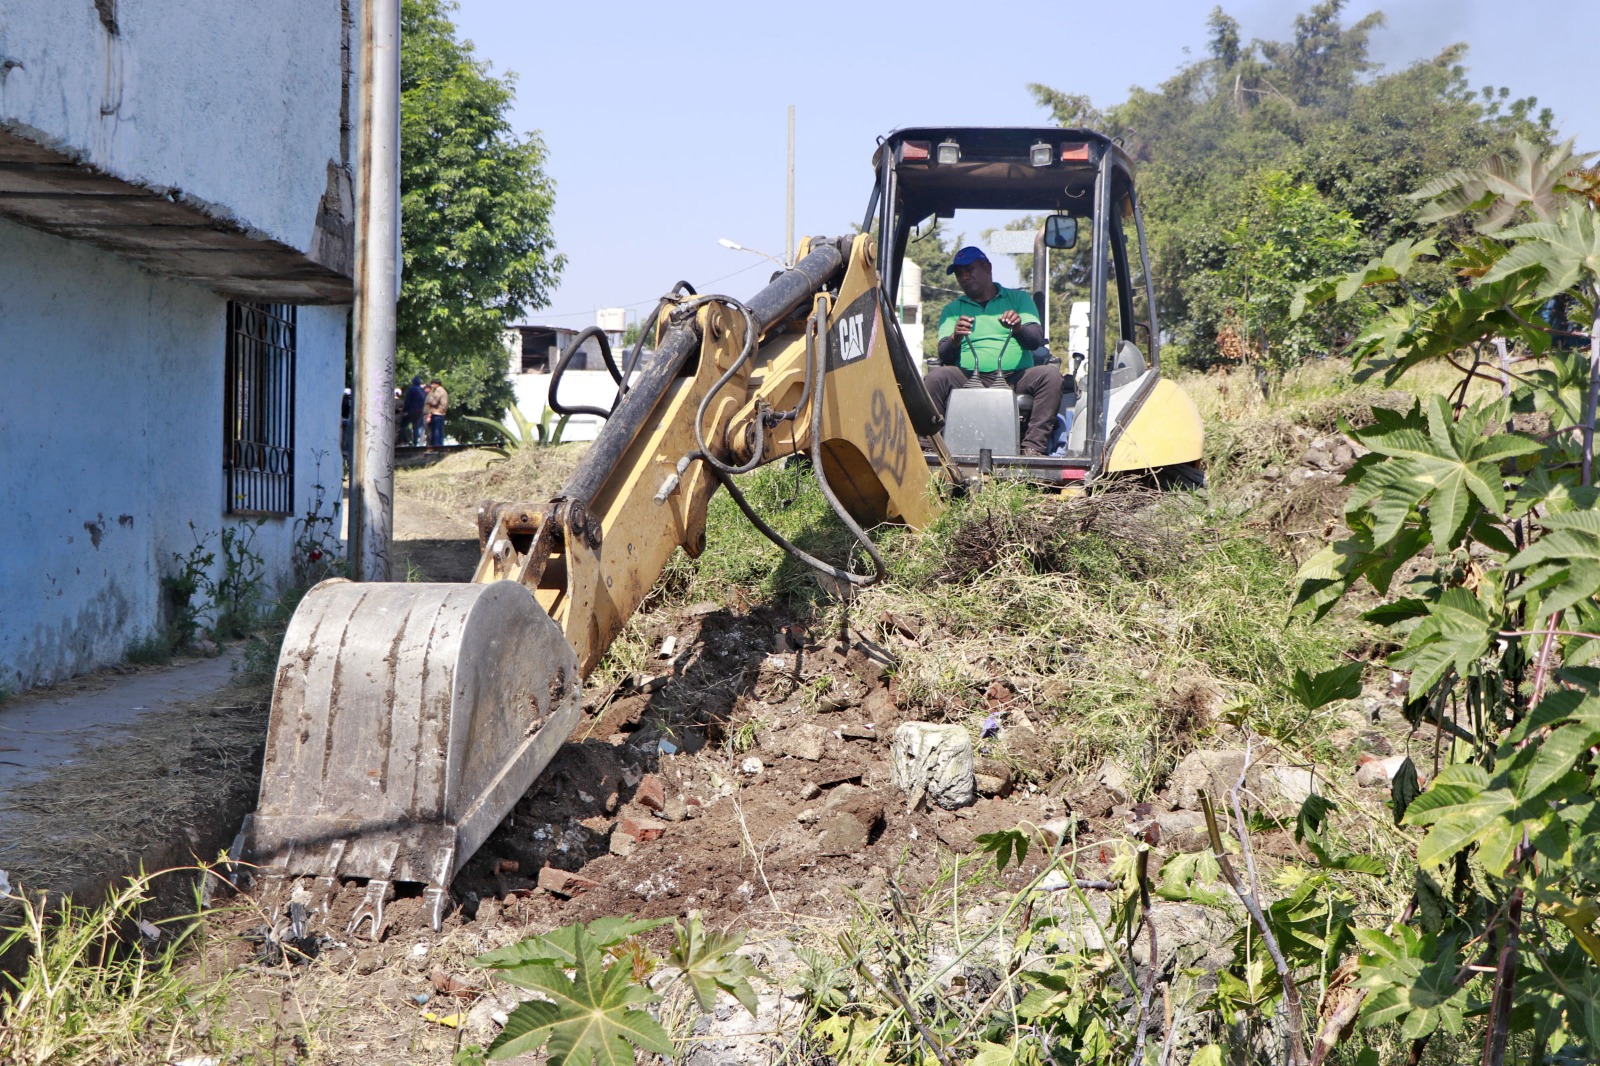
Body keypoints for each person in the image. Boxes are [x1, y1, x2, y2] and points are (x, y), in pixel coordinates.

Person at [926, 246, 1063, 456]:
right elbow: (945, 355)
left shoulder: (1018, 300)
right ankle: (928, 449)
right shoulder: (953, 310)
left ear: (987, 268)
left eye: (969, 269)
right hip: (968, 377)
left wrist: (1018, 328)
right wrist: (955, 338)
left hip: (1015, 379)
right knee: (936, 377)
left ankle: (1033, 449)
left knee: (1051, 376)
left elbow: (1035, 340)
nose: (964, 276)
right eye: (959, 273)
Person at [402, 375, 427, 446]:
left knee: (403, 425)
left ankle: (405, 441)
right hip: (420, 411)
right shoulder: (422, 390)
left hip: (411, 410)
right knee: (416, 427)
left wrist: (405, 410)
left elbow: (407, 400)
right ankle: (415, 442)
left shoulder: (412, 389)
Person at [424, 378, 449, 448]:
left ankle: (436, 445)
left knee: (436, 430)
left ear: (436, 384)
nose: (432, 386)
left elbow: (434, 402)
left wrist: (429, 399)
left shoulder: (438, 391)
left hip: (437, 412)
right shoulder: (444, 391)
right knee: (440, 430)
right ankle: (440, 445)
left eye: (432, 384)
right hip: (442, 413)